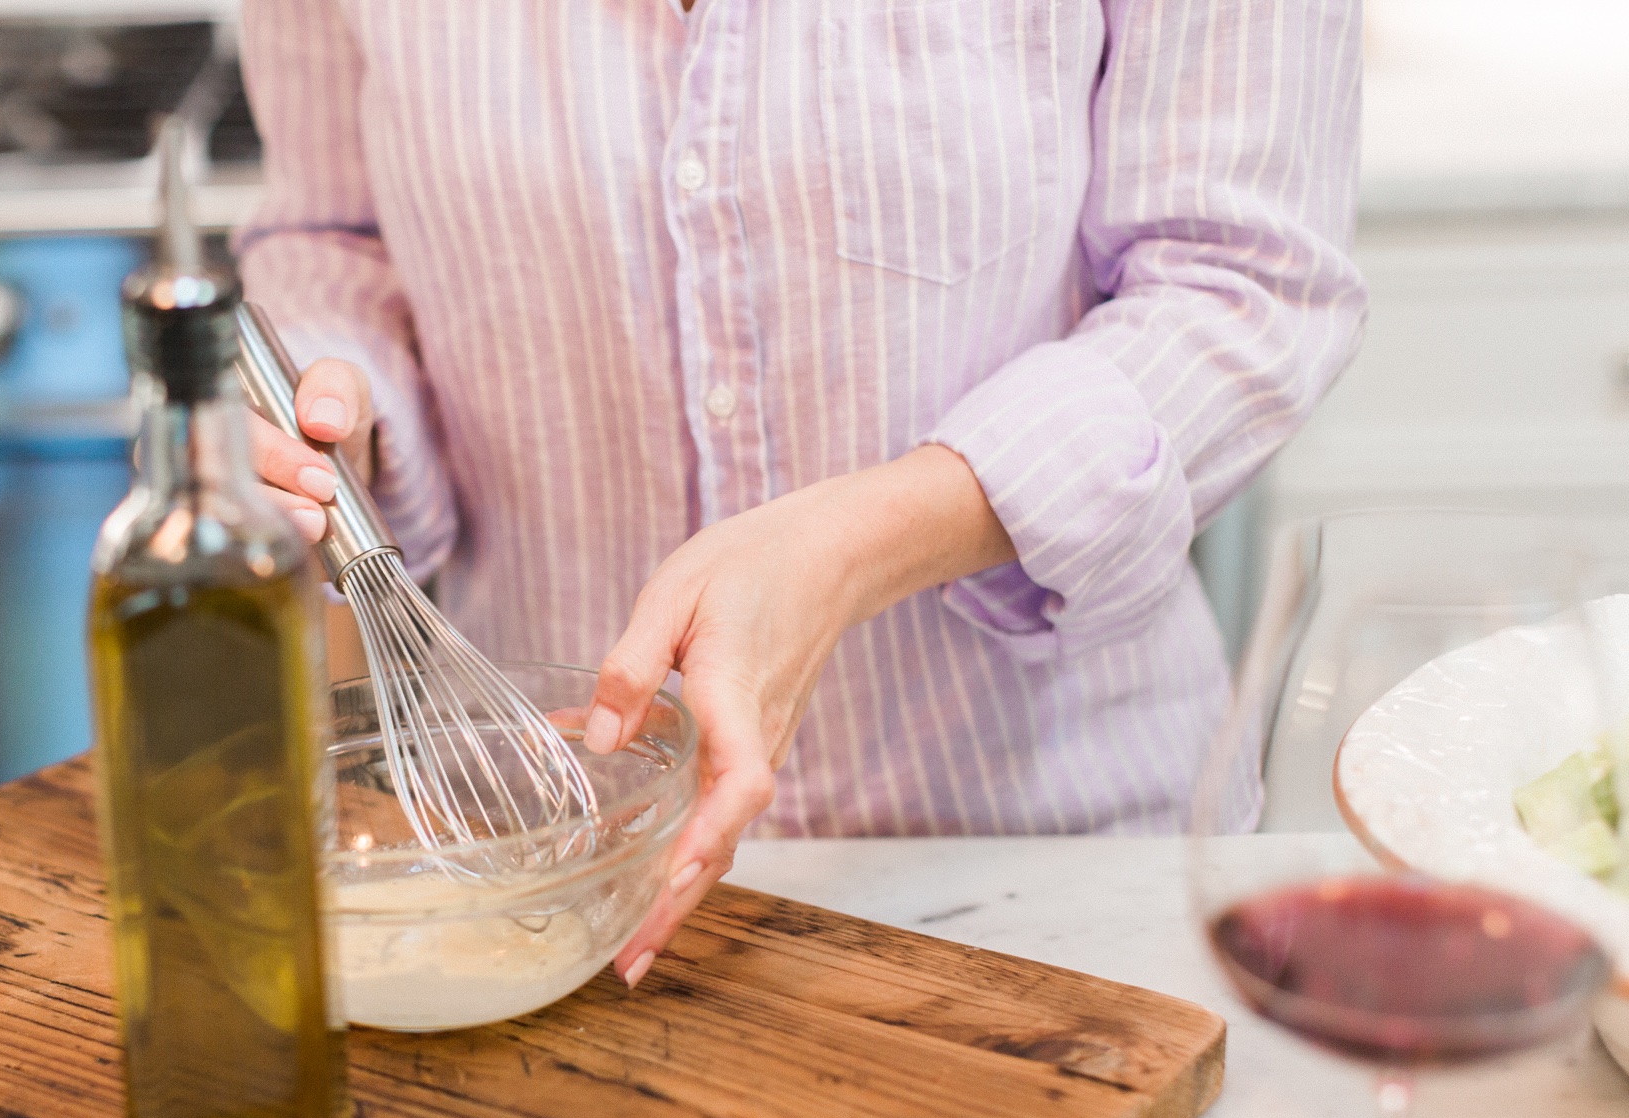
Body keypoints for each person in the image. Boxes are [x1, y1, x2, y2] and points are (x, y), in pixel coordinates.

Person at [233, 0, 1367, 988]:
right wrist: (345, 409)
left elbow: (1243, 283)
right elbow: (331, 237)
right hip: (544, 860)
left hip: (1044, 870)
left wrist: (850, 546)